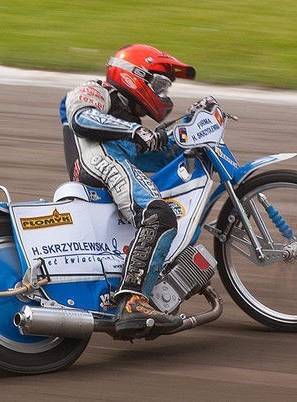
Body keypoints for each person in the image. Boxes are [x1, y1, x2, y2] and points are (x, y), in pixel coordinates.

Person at [59, 44, 197, 338]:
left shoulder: (130, 123)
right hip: (99, 163)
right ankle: (133, 301)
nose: (163, 94)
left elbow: (162, 154)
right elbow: (82, 117)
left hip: (113, 162)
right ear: (133, 76)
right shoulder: (96, 90)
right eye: (159, 85)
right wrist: (134, 132)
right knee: (159, 215)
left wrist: (190, 125)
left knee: (159, 214)